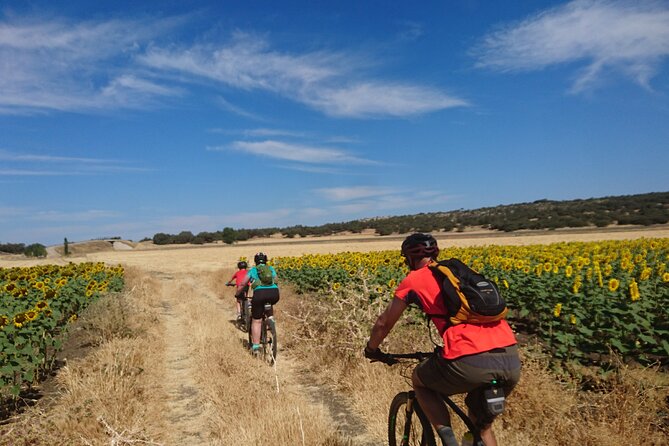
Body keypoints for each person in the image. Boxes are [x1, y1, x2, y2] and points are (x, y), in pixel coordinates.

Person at [364, 233, 521, 446]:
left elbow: (384, 323)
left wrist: (372, 349)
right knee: (481, 427)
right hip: (510, 358)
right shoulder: (460, 273)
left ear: (409, 258)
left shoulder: (414, 279)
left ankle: (449, 441)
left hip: (468, 357)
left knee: (420, 381)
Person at [241, 252, 279, 354]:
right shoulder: (270, 269)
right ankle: (271, 320)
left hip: (259, 294)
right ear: (266, 260)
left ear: (255, 261)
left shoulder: (253, 270)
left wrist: (239, 293)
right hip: (274, 294)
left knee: (256, 320)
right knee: (269, 303)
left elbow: (243, 283)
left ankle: (256, 347)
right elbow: (276, 280)